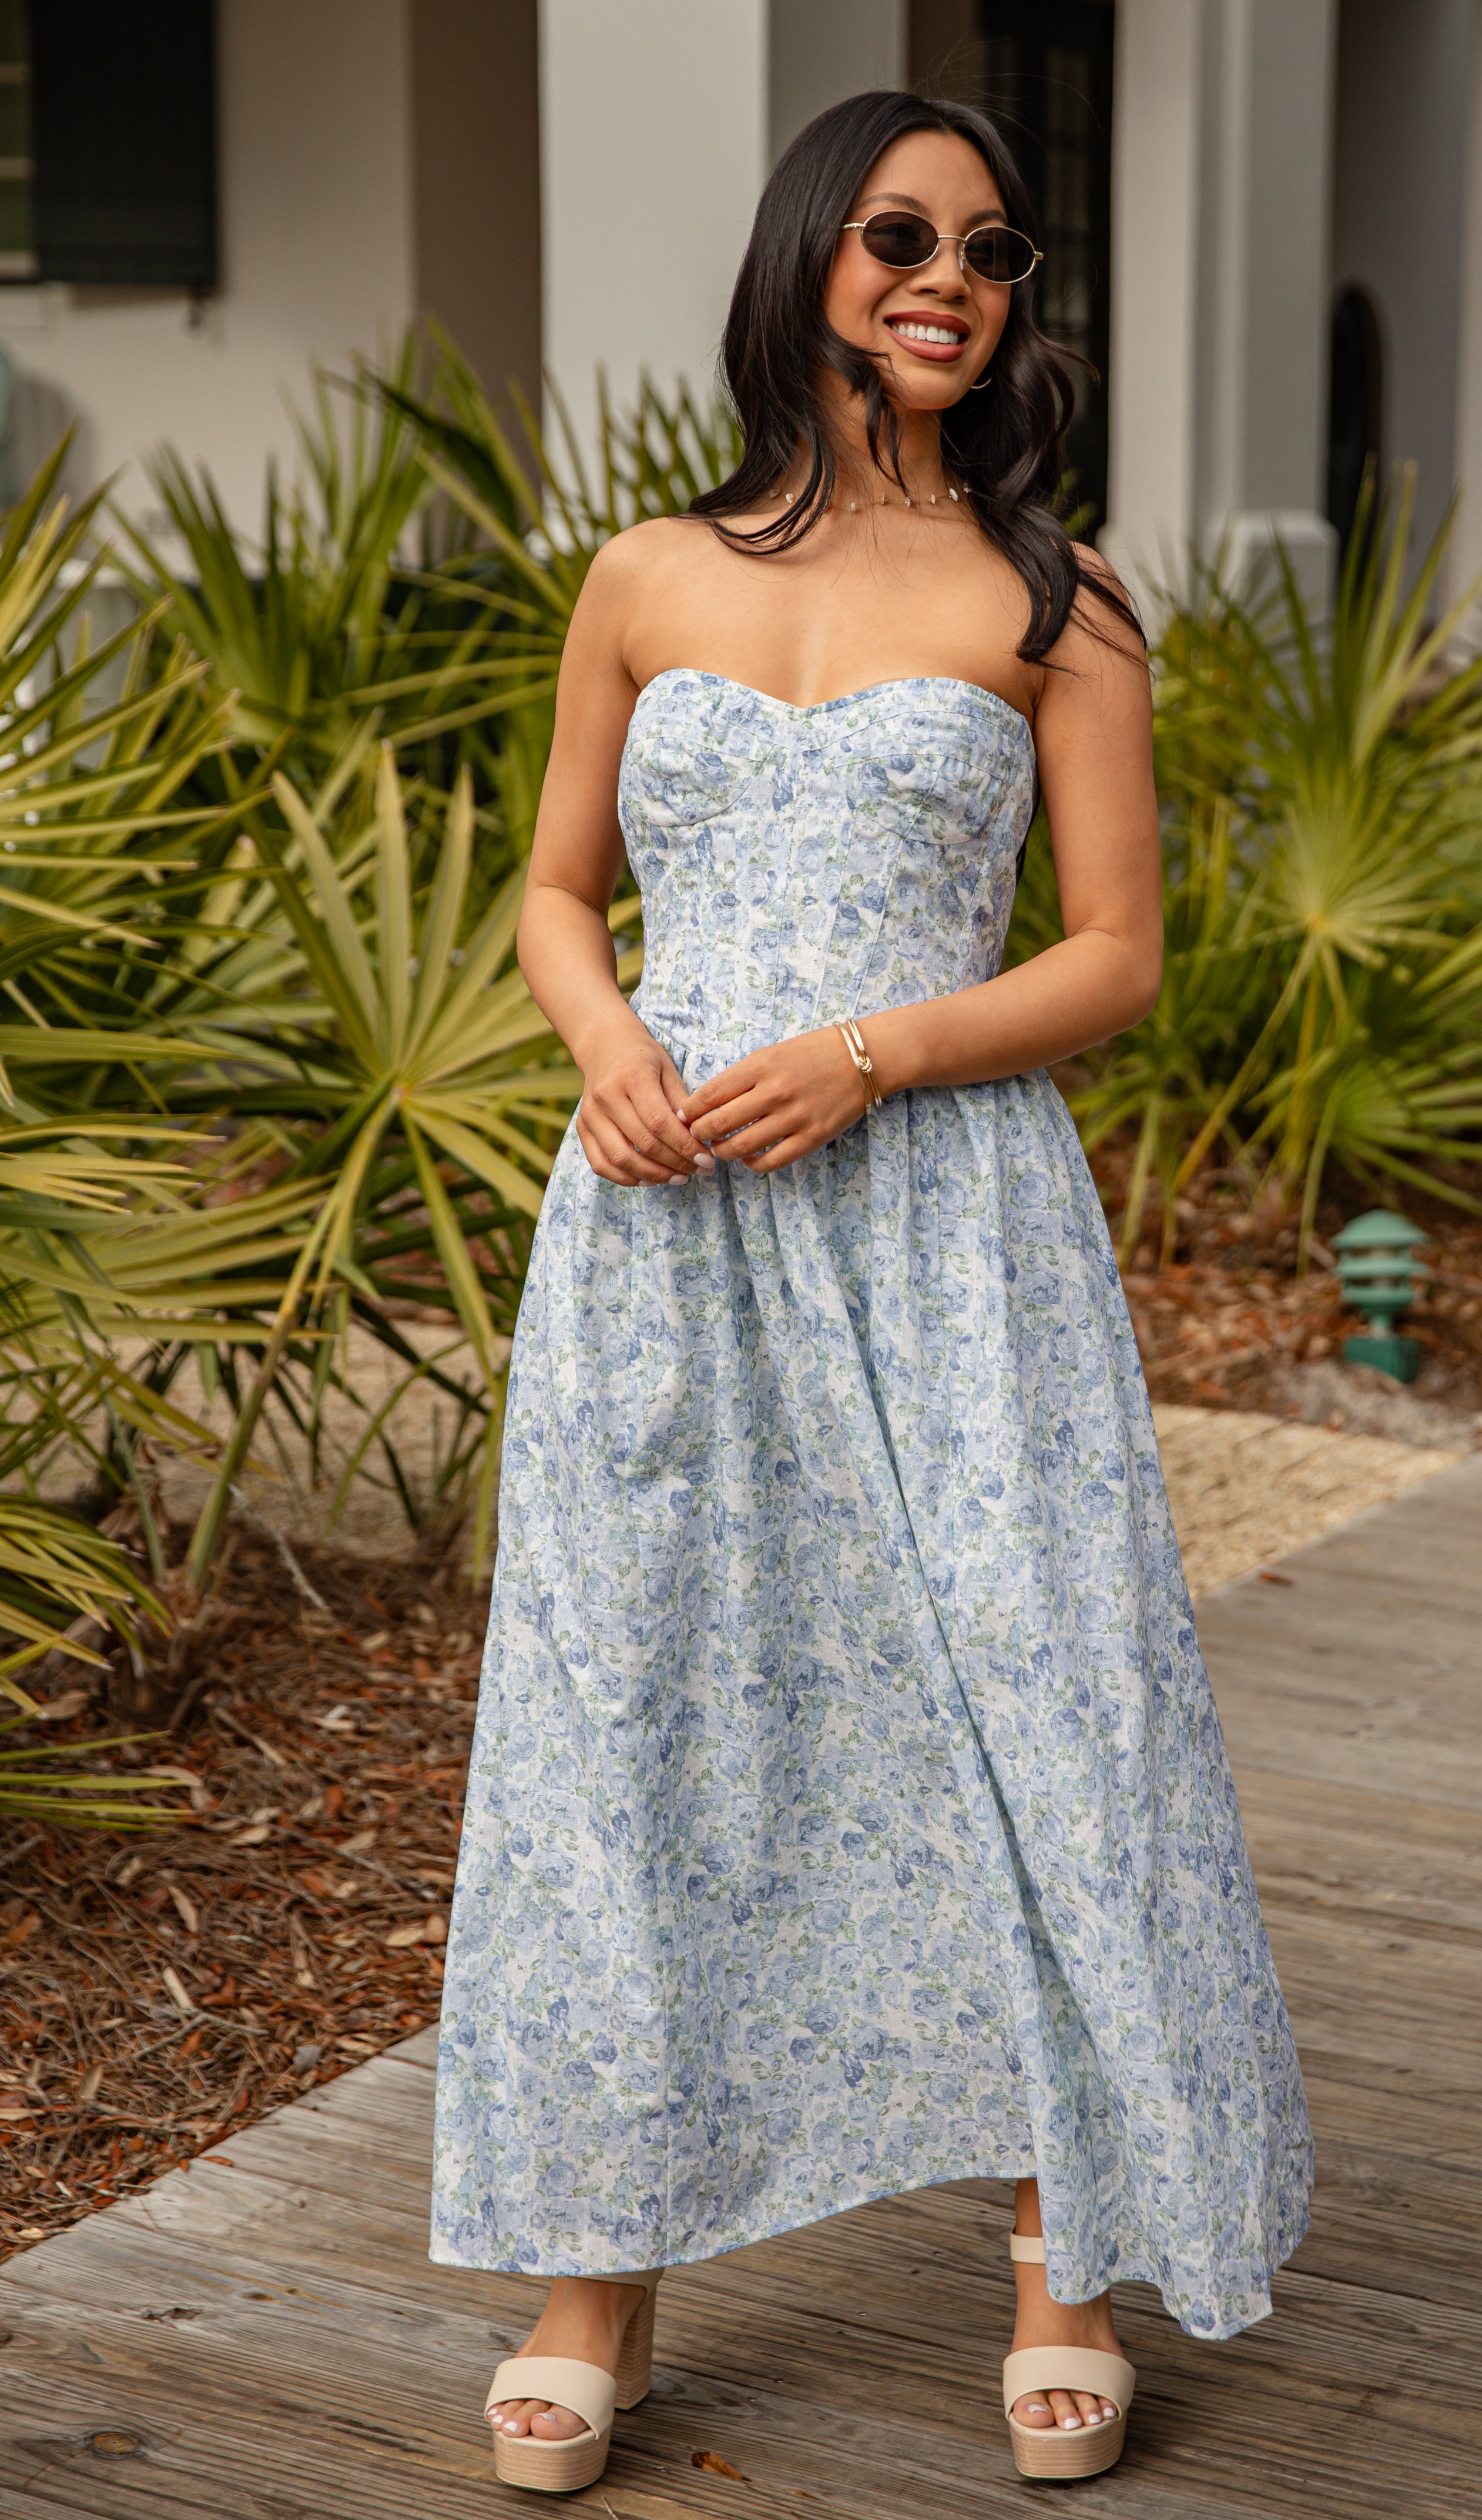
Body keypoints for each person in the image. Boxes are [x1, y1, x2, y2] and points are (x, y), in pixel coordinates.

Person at [431, 87, 1312, 2495]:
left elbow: (1118, 957)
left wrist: (871, 1051)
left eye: (997, 251)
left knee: (1026, 1697)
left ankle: (1058, 2255)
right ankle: (590, 2277)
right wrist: (609, 1043)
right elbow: (552, 888)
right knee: (643, 1714)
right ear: (811, 248)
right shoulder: (644, 575)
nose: (953, 275)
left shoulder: (1060, 600)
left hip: (944, 1227)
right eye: (906, 232)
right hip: (670, 1228)